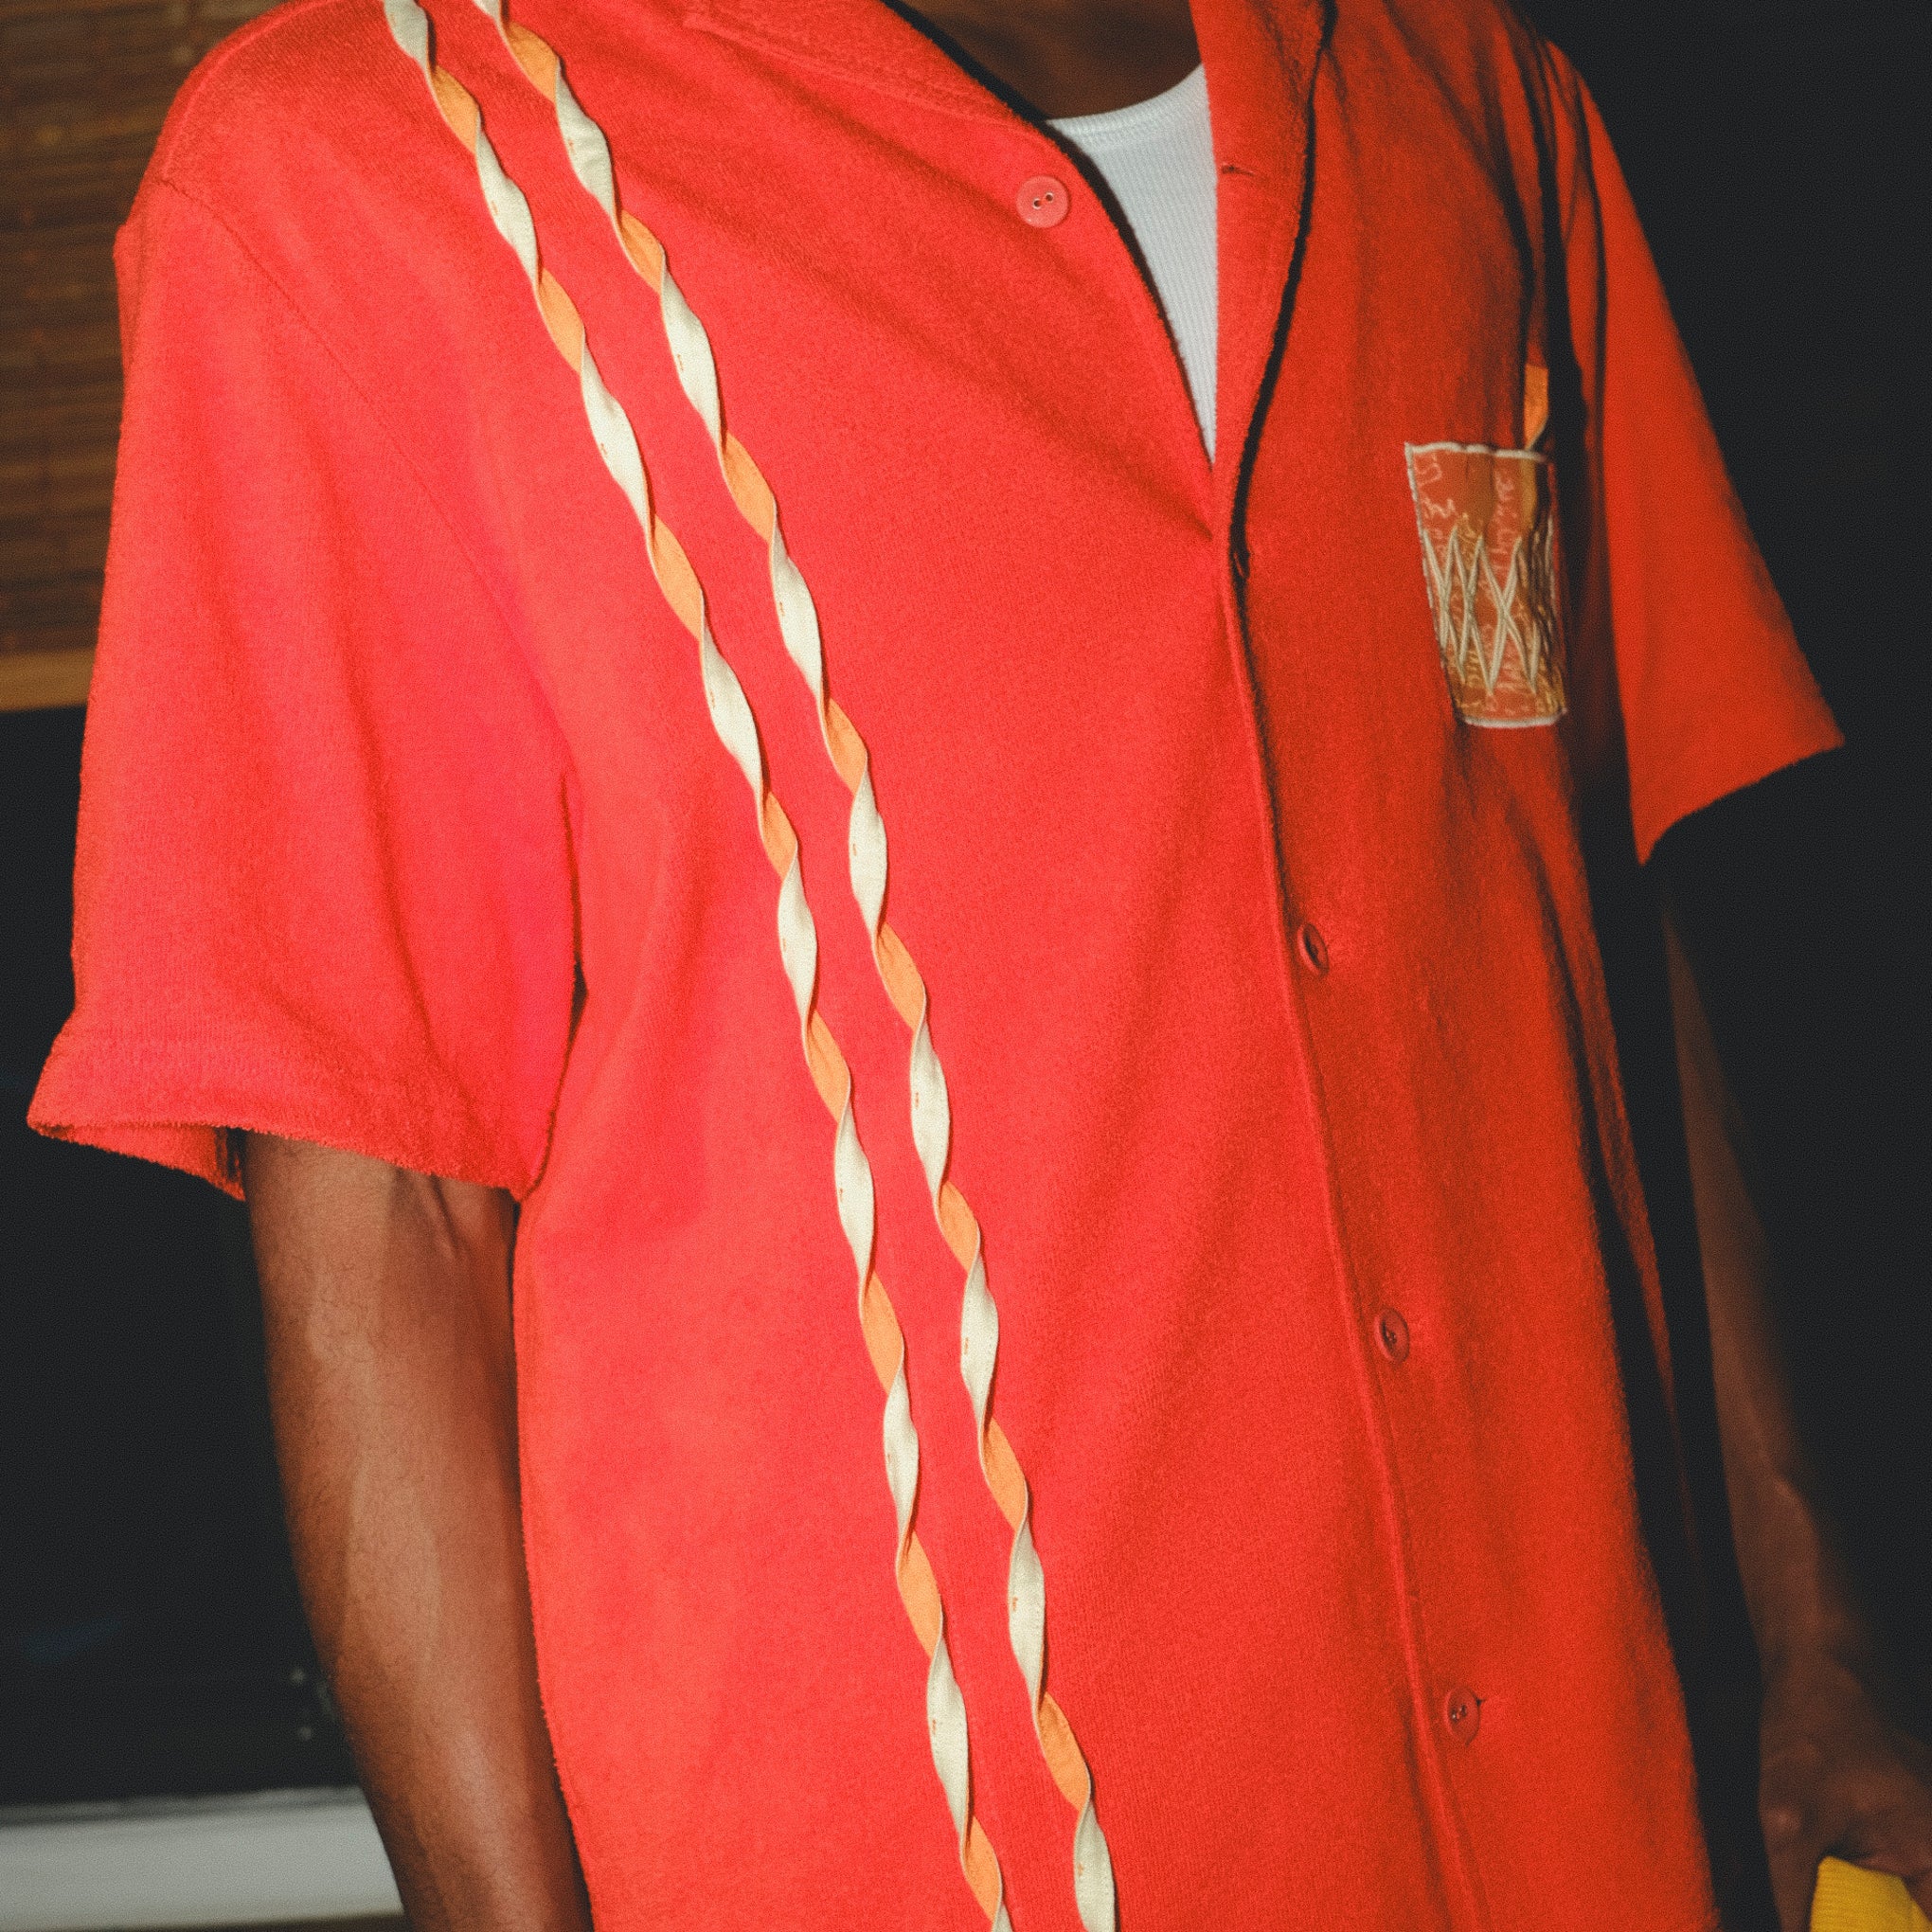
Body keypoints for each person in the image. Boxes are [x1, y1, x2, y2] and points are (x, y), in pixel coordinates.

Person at [29, 0, 1932, 1925]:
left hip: (1601, 1847)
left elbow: (1581, 888)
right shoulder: (370, 157)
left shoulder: (1469, 90)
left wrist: (1816, 1638)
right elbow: (383, 1205)